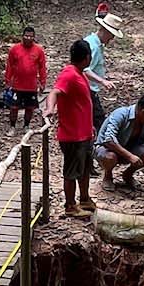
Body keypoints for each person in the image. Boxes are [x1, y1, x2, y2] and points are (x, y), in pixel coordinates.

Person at [46, 39, 97, 217]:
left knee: (84, 169)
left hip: (85, 134)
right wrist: (50, 109)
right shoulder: (69, 74)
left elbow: (81, 103)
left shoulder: (80, 73)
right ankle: (70, 205)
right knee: (72, 171)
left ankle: (84, 198)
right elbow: (55, 91)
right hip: (73, 136)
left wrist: (90, 127)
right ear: (86, 57)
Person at [95, 93, 144, 191]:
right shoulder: (121, 114)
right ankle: (108, 176)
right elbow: (108, 140)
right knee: (110, 157)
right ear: (143, 111)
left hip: (127, 148)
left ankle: (127, 175)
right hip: (107, 150)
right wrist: (130, 156)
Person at [85, 12, 125, 133]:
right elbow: (84, 69)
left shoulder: (98, 45)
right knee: (99, 122)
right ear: (104, 30)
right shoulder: (93, 46)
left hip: (91, 90)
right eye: (111, 35)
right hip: (87, 90)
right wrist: (102, 81)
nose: (112, 39)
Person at [4, 26, 47, 135]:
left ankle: (26, 125)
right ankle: (12, 127)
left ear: (34, 37)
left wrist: (42, 82)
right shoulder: (14, 49)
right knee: (14, 107)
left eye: (30, 36)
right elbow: (10, 66)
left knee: (30, 107)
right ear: (22, 36)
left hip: (31, 85)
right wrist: (7, 80)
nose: (28, 38)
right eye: (26, 36)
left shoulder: (38, 50)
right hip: (17, 84)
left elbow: (42, 67)